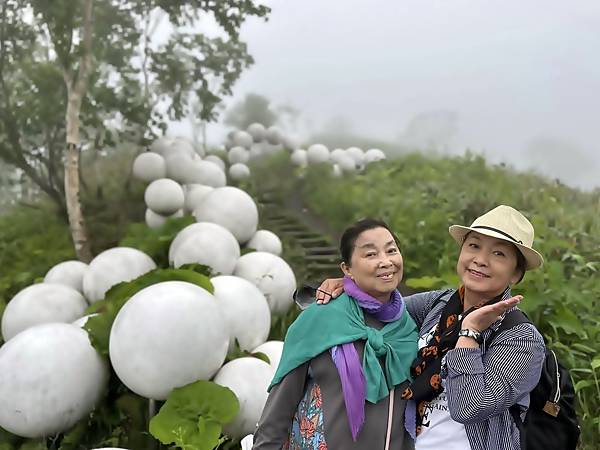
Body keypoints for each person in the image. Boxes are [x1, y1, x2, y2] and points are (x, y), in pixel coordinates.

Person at [315, 205, 546, 450]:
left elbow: (469, 407)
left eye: (499, 254)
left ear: (516, 274)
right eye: (474, 246)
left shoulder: (522, 339)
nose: (480, 260)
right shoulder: (438, 305)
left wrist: (469, 334)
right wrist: (354, 283)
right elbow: (379, 311)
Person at [253, 218, 418, 449]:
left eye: (391, 250)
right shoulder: (320, 319)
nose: (385, 261)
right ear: (346, 269)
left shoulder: (408, 327)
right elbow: (278, 410)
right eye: (370, 254)